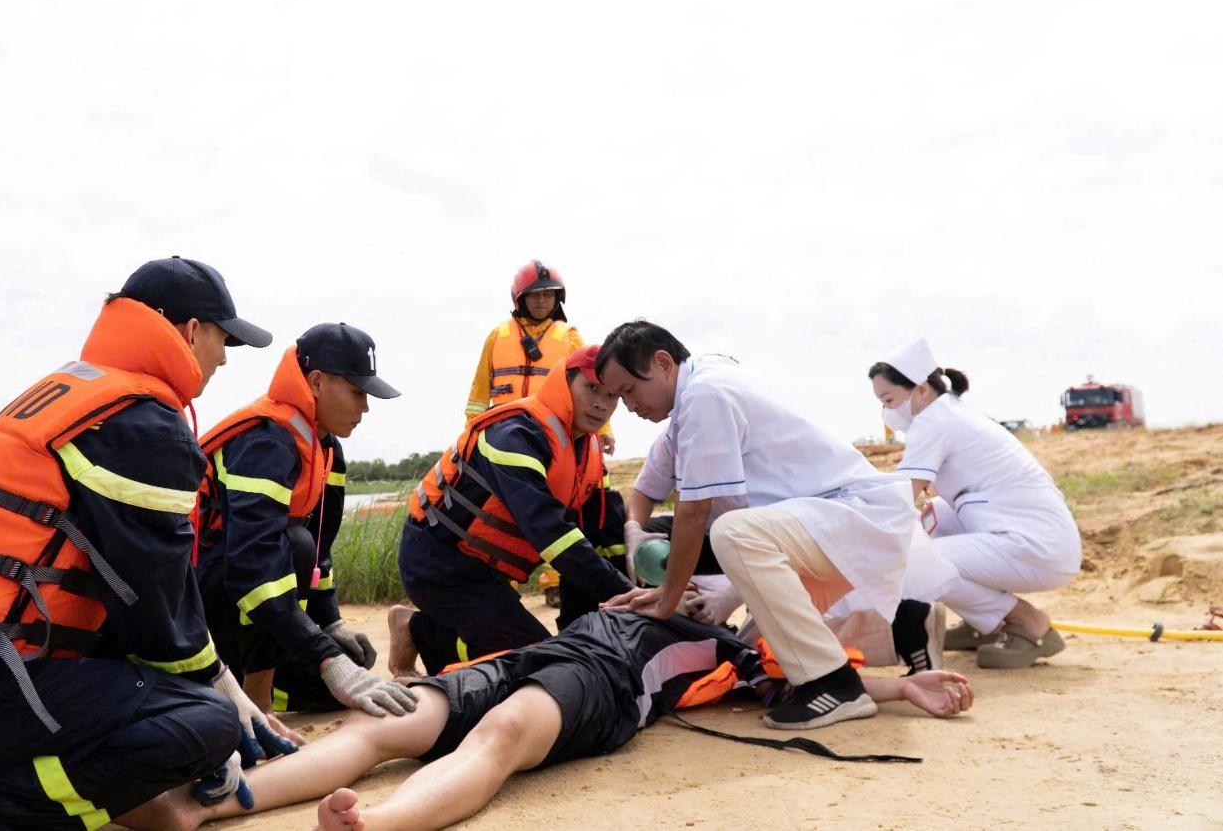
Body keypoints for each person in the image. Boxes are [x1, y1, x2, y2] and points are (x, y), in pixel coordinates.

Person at [0, 257, 302, 829]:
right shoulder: (139, 421)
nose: (223, 358)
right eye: (224, 340)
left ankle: (15, 784)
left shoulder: (75, 394)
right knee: (203, 726)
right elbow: (156, 607)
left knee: (185, 708)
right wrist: (219, 699)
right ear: (192, 332)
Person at [127, 611, 974, 831]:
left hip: (597, 684)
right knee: (378, 730)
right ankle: (207, 804)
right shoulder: (654, 599)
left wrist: (910, 686)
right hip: (541, 656)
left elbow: (823, 677)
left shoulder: (732, 652)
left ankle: (377, 822)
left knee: (498, 741)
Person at [597, 321, 957, 730]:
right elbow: (659, 498)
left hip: (845, 519)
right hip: (820, 526)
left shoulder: (704, 394)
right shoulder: (695, 398)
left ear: (662, 363)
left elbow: (694, 513)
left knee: (730, 532)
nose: (627, 406)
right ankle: (885, 653)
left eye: (628, 390)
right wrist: (638, 541)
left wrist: (666, 599)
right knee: (758, 654)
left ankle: (834, 684)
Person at [196, 323, 418, 717]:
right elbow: (254, 571)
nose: (365, 407)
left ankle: (253, 685)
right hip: (201, 599)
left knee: (346, 672)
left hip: (247, 605)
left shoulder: (326, 447)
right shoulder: (266, 442)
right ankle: (258, 703)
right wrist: (326, 657)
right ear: (315, 382)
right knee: (291, 548)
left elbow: (321, 550)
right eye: (357, 392)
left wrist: (331, 624)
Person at [389, 346, 632, 676]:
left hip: (487, 573)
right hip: (439, 565)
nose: (602, 404)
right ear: (564, 382)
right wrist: (630, 596)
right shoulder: (515, 435)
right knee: (532, 662)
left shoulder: (584, 451)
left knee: (560, 656)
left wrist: (612, 613)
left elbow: (594, 537)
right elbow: (553, 535)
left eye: (612, 395)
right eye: (591, 388)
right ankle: (416, 630)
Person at [871, 337, 1082, 668]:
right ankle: (985, 623)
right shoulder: (950, 412)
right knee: (931, 520)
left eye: (889, 399)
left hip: (1038, 547)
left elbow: (901, 496)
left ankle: (1027, 622)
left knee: (917, 564)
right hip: (1032, 534)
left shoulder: (933, 421)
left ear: (922, 389)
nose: (887, 411)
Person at [463, 260, 615, 454]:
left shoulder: (570, 338)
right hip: (502, 432)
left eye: (548, 294)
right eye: (534, 295)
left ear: (557, 297)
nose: (541, 300)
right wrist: (470, 432)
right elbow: (478, 395)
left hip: (552, 431)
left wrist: (603, 429)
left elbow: (595, 386)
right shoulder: (497, 337)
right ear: (521, 299)